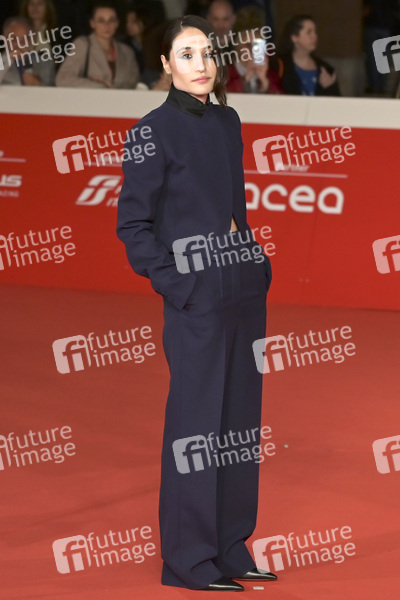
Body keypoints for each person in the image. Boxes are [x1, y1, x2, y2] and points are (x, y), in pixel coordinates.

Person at [116, 13, 276, 592]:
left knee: (238, 426)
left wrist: (255, 263)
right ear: (165, 63)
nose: (200, 64)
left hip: (243, 290)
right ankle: (188, 560)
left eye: (206, 52)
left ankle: (231, 549)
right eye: (186, 54)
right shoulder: (152, 131)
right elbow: (133, 226)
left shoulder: (229, 120)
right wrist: (180, 285)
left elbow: (234, 205)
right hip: (197, 297)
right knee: (197, 430)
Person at [55, 0, 139, 88]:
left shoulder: (127, 52)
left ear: (117, 23)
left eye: (111, 20)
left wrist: (113, 89)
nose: (107, 25)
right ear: (92, 23)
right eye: (101, 21)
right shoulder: (83, 45)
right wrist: (99, 86)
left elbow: (134, 84)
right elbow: (63, 79)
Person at [278, 14, 340, 96]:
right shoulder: (280, 66)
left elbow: (338, 100)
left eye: (315, 32)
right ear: (294, 38)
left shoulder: (325, 69)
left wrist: (330, 86)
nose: (314, 36)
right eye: (309, 32)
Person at [0, 17, 55, 85]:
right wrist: (7, 59)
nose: (19, 44)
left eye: (25, 39)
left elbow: (53, 89)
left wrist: (39, 85)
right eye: (13, 39)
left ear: (32, 40)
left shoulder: (45, 64)